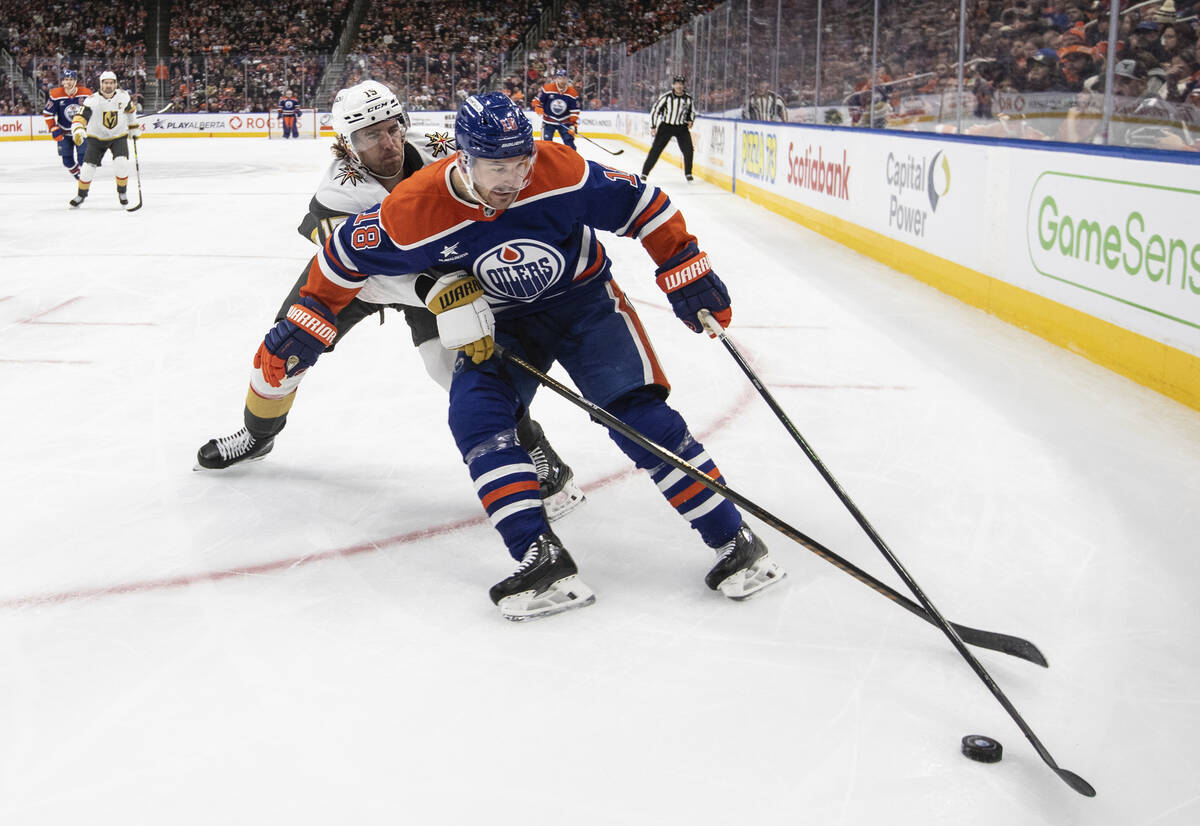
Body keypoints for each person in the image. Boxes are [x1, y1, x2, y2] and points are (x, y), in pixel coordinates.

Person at [275, 92, 786, 620]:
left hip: (586, 307)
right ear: (464, 160)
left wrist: (686, 268)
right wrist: (307, 324)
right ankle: (542, 559)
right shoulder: (416, 207)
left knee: (638, 416)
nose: (513, 180)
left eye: (521, 163)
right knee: (476, 418)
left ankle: (735, 540)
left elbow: (642, 205)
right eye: (497, 167)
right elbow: (341, 258)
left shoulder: (557, 169)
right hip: (504, 325)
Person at [195, 81, 585, 522]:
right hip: (354, 279)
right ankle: (256, 434)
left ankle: (535, 449)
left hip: (438, 271)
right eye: (370, 135)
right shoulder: (338, 195)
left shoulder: (442, 151)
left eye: (393, 128)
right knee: (281, 356)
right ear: (347, 143)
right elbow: (361, 266)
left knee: (463, 370)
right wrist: (431, 290)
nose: (389, 143)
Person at [68, 70, 139, 208]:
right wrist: (78, 130)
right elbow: (80, 117)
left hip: (118, 136)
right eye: (106, 83)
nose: (108, 86)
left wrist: (133, 129)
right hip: (96, 138)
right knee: (87, 168)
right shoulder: (92, 100)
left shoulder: (123, 97)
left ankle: (122, 192)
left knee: (121, 164)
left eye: (111, 83)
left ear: (116, 84)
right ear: (101, 84)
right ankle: (81, 195)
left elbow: (131, 112)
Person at [642, 75, 696, 182]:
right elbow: (655, 110)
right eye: (677, 84)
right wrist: (653, 126)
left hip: (681, 127)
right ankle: (645, 173)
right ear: (673, 85)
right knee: (656, 150)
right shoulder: (666, 97)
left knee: (688, 149)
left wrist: (691, 120)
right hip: (666, 126)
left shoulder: (688, 99)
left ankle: (688, 173)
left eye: (681, 84)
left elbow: (692, 111)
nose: (679, 86)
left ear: (683, 85)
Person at [42, 69, 91, 179]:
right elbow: (47, 113)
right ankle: (77, 173)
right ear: (63, 81)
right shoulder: (56, 94)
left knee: (83, 158)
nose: (68, 82)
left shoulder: (86, 93)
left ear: (76, 81)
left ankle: (85, 177)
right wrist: (53, 127)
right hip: (64, 133)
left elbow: (93, 112)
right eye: (66, 79)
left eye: (71, 79)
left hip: (81, 131)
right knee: (67, 161)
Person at [531, 68, 579, 148]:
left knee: (570, 144)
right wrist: (538, 107)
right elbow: (536, 100)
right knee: (546, 145)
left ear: (567, 79)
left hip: (565, 122)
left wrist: (573, 124)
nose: (561, 80)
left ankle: (571, 160)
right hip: (548, 122)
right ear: (556, 78)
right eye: (559, 78)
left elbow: (574, 110)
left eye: (564, 78)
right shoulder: (547, 88)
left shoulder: (572, 93)